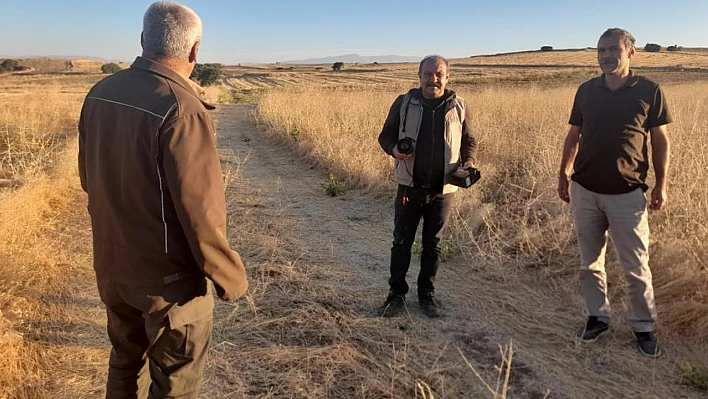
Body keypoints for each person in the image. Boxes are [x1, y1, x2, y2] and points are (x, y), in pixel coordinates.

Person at [78, 2, 248, 397]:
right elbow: (201, 214)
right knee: (175, 382)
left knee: (124, 363)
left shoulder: (101, 92)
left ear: (142, 40)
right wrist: (229, 278)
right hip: (167, 284)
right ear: (194, 51)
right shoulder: (183, 110)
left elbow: (89, 179)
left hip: (111, 267)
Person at [558, 28, 671, 358]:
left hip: (627, 193)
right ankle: (598, 317)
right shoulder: (586, 90)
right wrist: (564, 173)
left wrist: (662, 185)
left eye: (613, 49)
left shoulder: (649, 90)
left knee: (636, 266)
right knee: (589, 262)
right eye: (601, 50)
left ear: (630, 52)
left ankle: (644, 327)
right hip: (585, 190)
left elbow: (660, 141)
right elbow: (573, 136)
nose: (607, 55)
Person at [377, 55, 478, 318]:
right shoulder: (404, 103)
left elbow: (469, 141)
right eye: (428, 74)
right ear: (419, 76)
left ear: (448, 77)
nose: (433, 79)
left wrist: (468, 161)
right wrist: (394, 149)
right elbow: (385, 136)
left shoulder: (459, 106)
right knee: (401, 242)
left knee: (433, 245)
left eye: (439, 74)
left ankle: (426, 296)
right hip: (410, 187)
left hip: (443, 191)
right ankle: (396, 294)